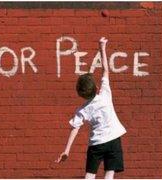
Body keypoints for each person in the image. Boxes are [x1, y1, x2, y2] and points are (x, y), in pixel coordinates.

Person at [55, 37, 127, 179]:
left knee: (90, 174)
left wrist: (67, 150)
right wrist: (102, 47)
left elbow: (74, 128)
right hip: (113, 139)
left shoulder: (83, 110)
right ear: (96, 87)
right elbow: (105, 70)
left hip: (96, 145)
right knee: (109, 173)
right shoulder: (105, 94)